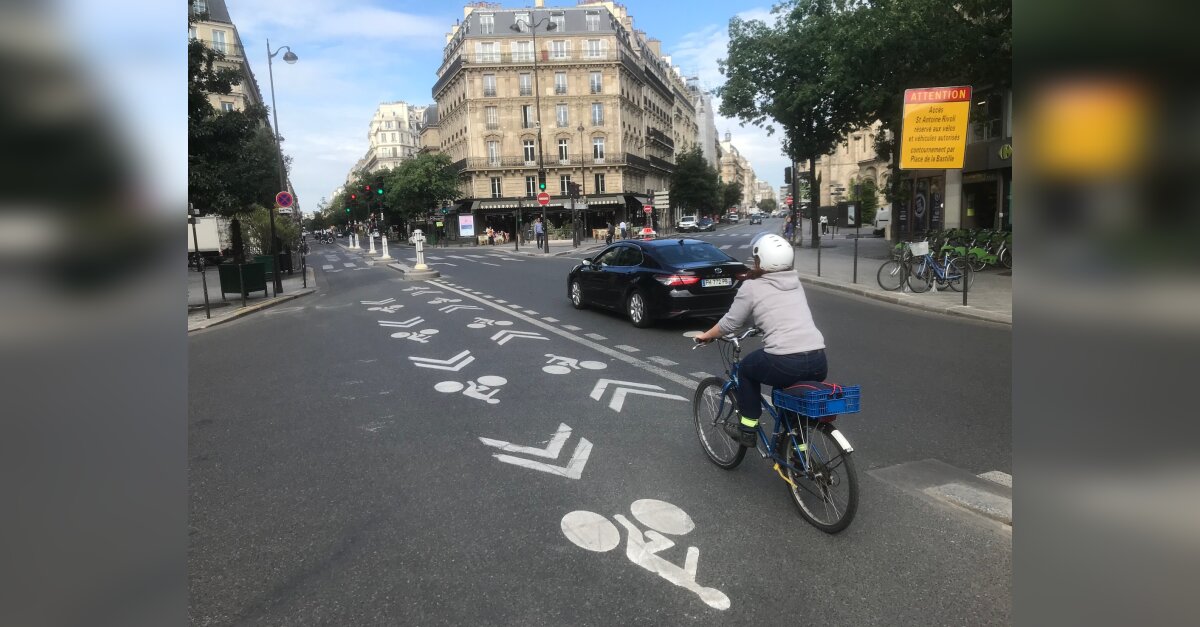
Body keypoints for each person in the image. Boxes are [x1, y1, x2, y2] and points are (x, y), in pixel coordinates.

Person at [693, 234, 826, 447]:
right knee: (787, 399)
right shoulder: (795, 281)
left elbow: (730, 324)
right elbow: (781, 311)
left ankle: (748, 429)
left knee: (746, 369)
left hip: (785, 361)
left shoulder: (752, 287)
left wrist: (706, 335)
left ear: (760, 260)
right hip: (818, 359)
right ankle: (797, 448)